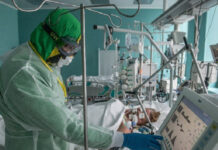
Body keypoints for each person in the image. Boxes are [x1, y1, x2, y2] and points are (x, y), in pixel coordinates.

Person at [0, 8, 163, 150]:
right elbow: (65, 125)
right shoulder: (24, 72)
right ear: (49, 37)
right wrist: (123, 139)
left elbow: (60, 112)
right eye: (67, 47)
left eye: (74, 49)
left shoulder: (44, 61)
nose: (70, 55)